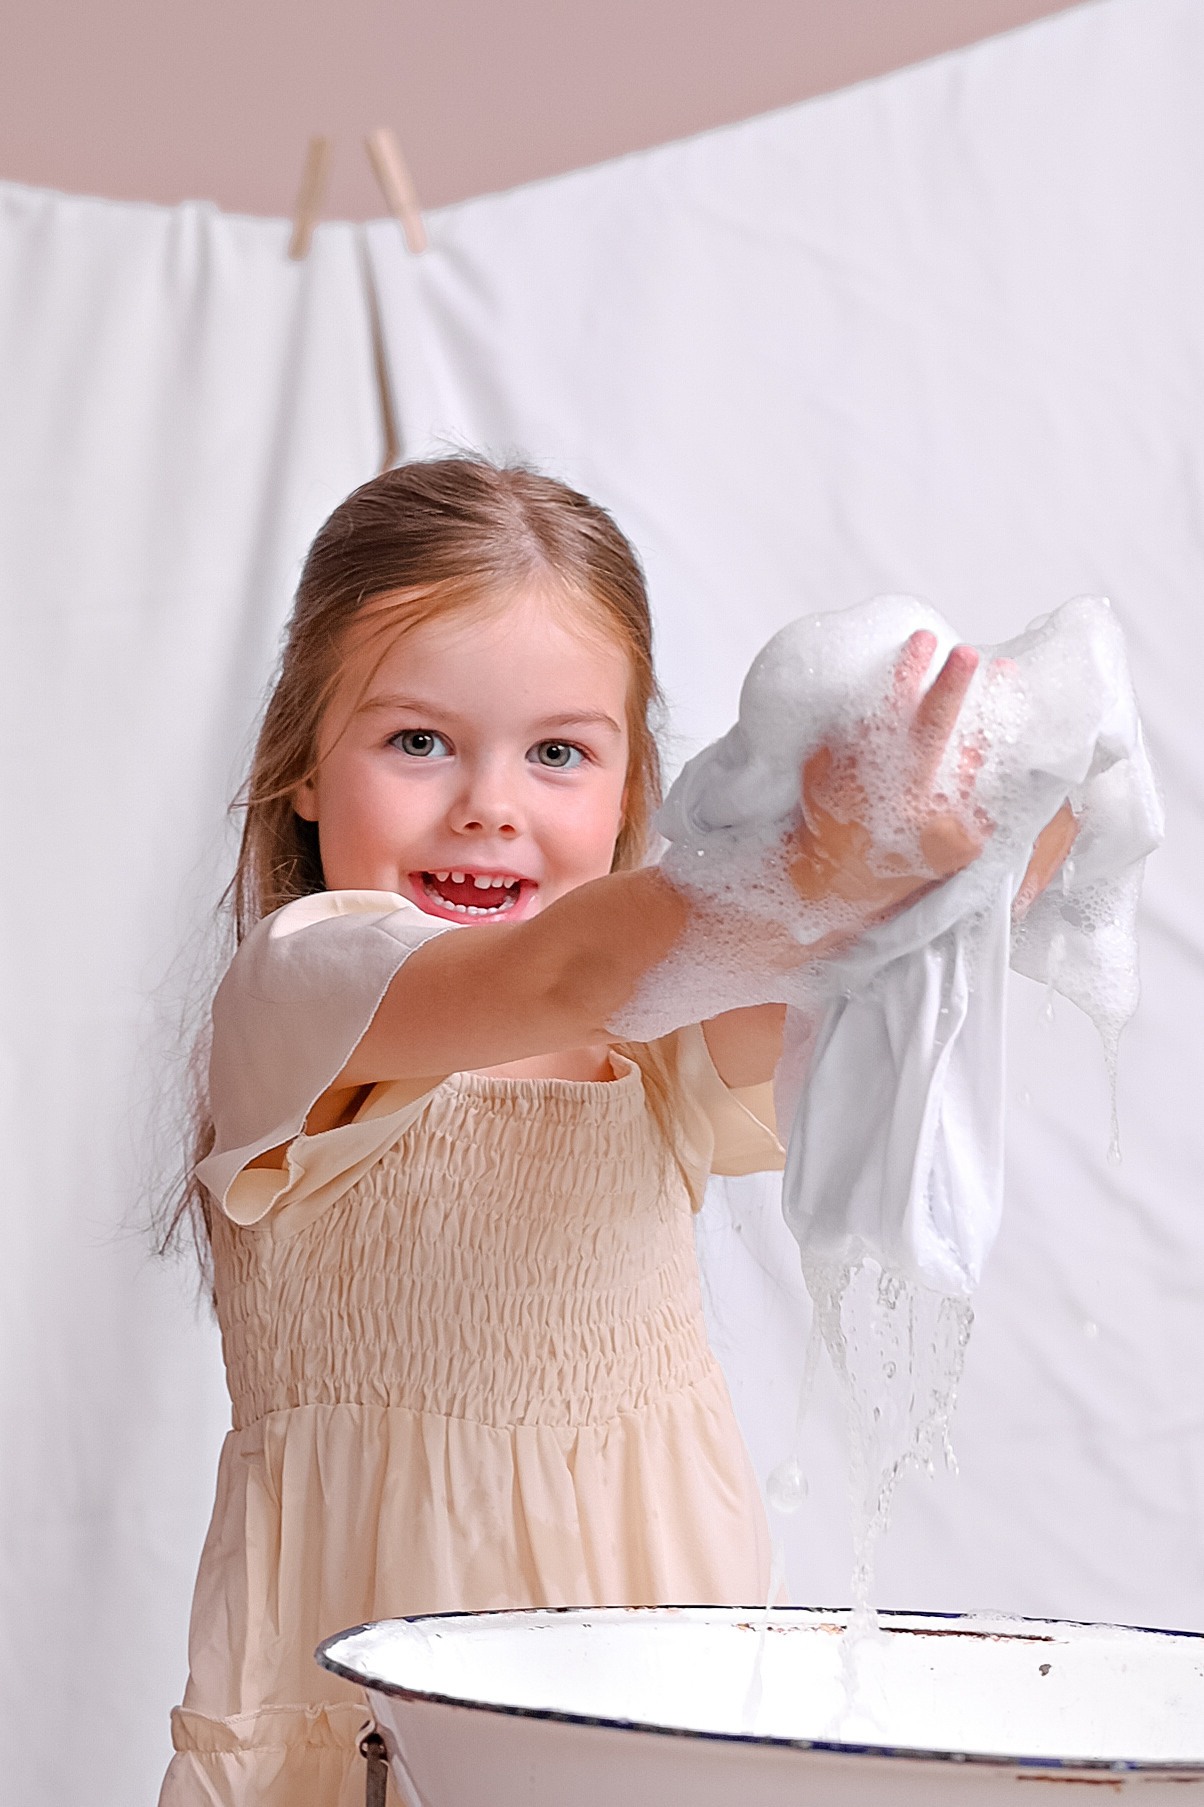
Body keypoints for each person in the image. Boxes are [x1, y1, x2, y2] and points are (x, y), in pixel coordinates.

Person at [159, 457, 1065, 1806]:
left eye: (558, 753)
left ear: (633, 780)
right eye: (419, 742)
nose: (490, 804)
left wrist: (981, 848)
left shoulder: (654, 1044)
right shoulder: (306, 987)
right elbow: (560, 973)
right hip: (380, 1708)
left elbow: (832, 989)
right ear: (298, 767)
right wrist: (812, 863)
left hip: (658, 1677)